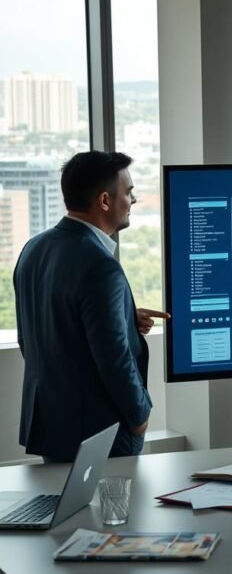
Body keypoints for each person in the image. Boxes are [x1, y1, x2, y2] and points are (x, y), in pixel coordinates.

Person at [15, 150, 168, 462]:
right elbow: (114, 359)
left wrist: (123, 316)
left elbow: (36, 332)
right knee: (113, 512)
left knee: (68, 511)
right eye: (128, 192)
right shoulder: (100, 265)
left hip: (53, 427)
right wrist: (139, 417)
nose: (133, 201)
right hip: (101, 435)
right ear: (104, 201)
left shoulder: (34, 249)